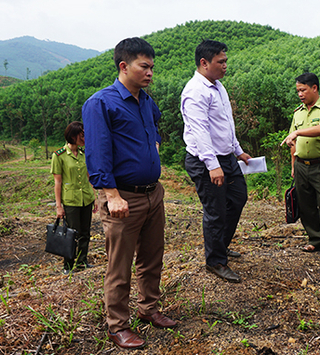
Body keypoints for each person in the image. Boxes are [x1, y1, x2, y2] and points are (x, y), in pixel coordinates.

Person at [82, 37, 175, 350]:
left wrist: (155, 148)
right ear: (124, 66)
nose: (150, 72)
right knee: (119, 265)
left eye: (151, 67)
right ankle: (117, 325)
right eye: (143, 66)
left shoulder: (146, 101)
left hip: (153, 193)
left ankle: (149, 309)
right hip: (123, 196)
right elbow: (96, 152)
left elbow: (155, 126)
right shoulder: (101, 103)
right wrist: (111, 194)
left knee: (152, 258)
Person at [181, 39, 251, 283]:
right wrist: (213, 166)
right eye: (221, 62)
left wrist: (238, 151)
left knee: (239, 197)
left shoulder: (218, 86)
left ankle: (220, 245)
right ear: (204, 63)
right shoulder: (195, 92)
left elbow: (225, 125)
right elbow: (200, 132)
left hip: (226, 157)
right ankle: (216, 261)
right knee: (216, 211)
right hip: (205, 160)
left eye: (225, 61)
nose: (225, 66)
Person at [280, 72, 320, 263]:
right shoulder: (298, 112)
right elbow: (292, 142)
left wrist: (298, 131)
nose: (300, 94)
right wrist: (293, 166)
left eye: (303, 90)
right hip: (301, 166)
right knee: (305, 205)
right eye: (298, 90)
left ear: (314, 88)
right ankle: (315, 239)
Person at [50, 121, 96, 275]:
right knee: (71, 233)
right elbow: (58, 182)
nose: (84, 138)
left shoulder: (84, 154)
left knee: (85, 232)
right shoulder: (59, 156)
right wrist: (58, 206)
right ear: (72, 136)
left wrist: (94, 196)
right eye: (81, 135)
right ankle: (68, 265)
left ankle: (82, 261)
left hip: (86, 198)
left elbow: (89, 177)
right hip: (70, 200)